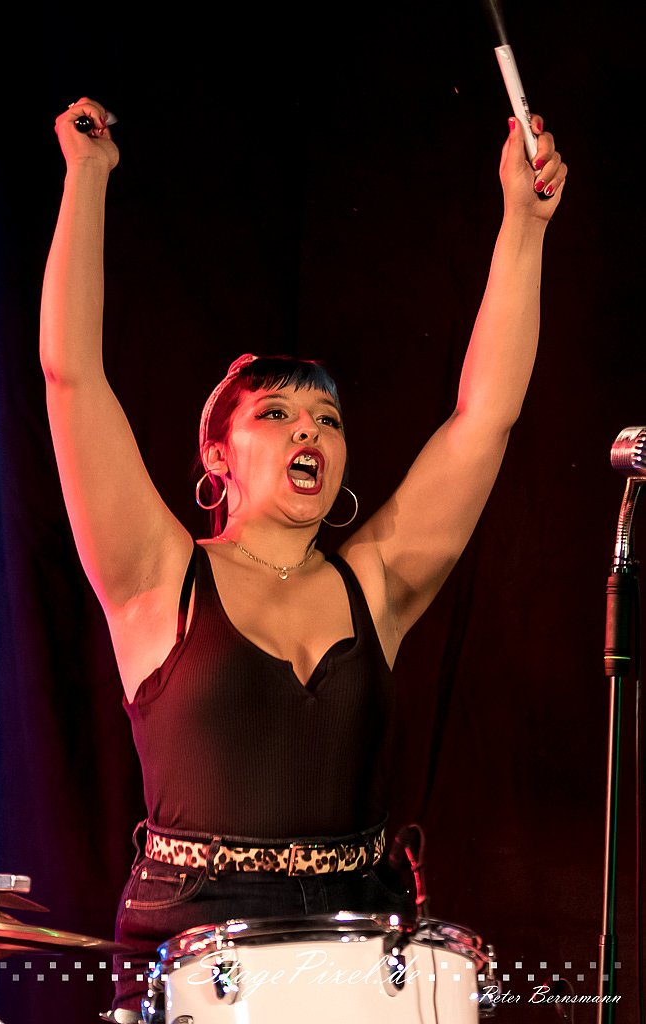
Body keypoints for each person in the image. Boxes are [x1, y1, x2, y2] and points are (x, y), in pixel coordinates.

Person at [40, 96, 567, 1020]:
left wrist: (523, 223)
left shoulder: (377, 582)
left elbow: (484, 416)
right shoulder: (159, 577)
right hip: (190, 937)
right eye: (276, 413)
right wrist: (87, 181)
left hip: (362, 938)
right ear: (216, 456)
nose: (309, 430)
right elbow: (72, 374)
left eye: (326, 417)